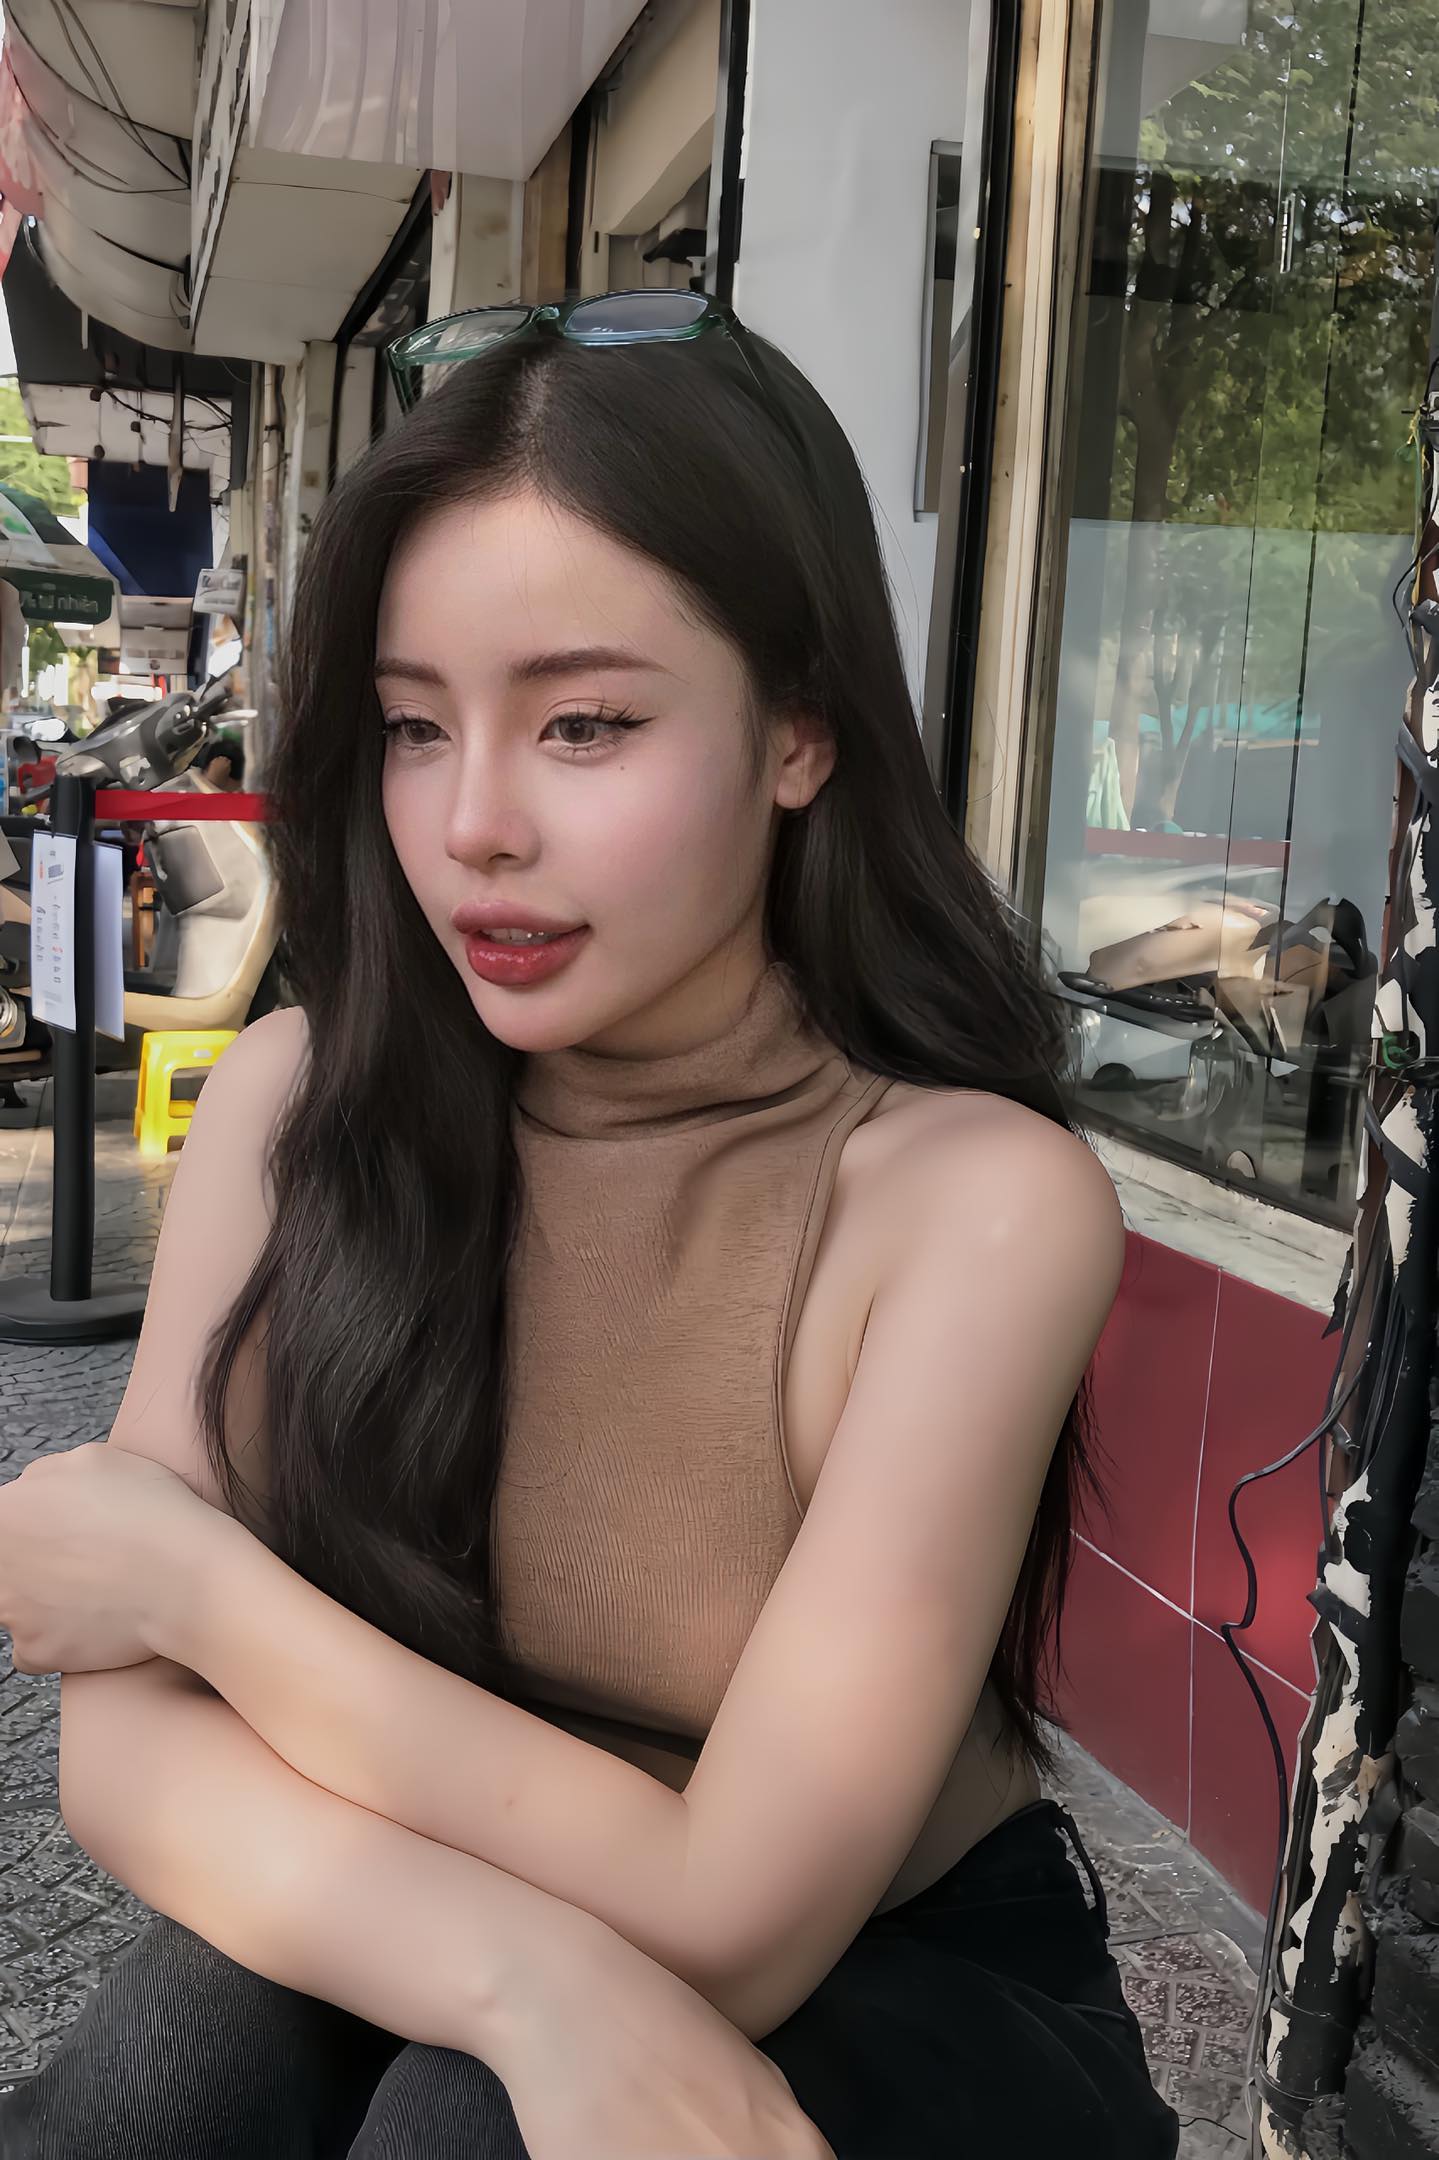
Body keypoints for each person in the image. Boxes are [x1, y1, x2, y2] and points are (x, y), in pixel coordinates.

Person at [0, 294, 1180, 2159]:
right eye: (413, 726)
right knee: (185, 2053)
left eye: (586, 723)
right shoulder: (306, 1101)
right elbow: (125, 1752)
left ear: (800, 731)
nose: (474, 823)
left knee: (466, 2126)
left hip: (911, 1986)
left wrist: (201, 1589)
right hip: (460, 1896)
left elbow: (734, 1916)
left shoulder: (963, 1203)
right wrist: (521, 1983)